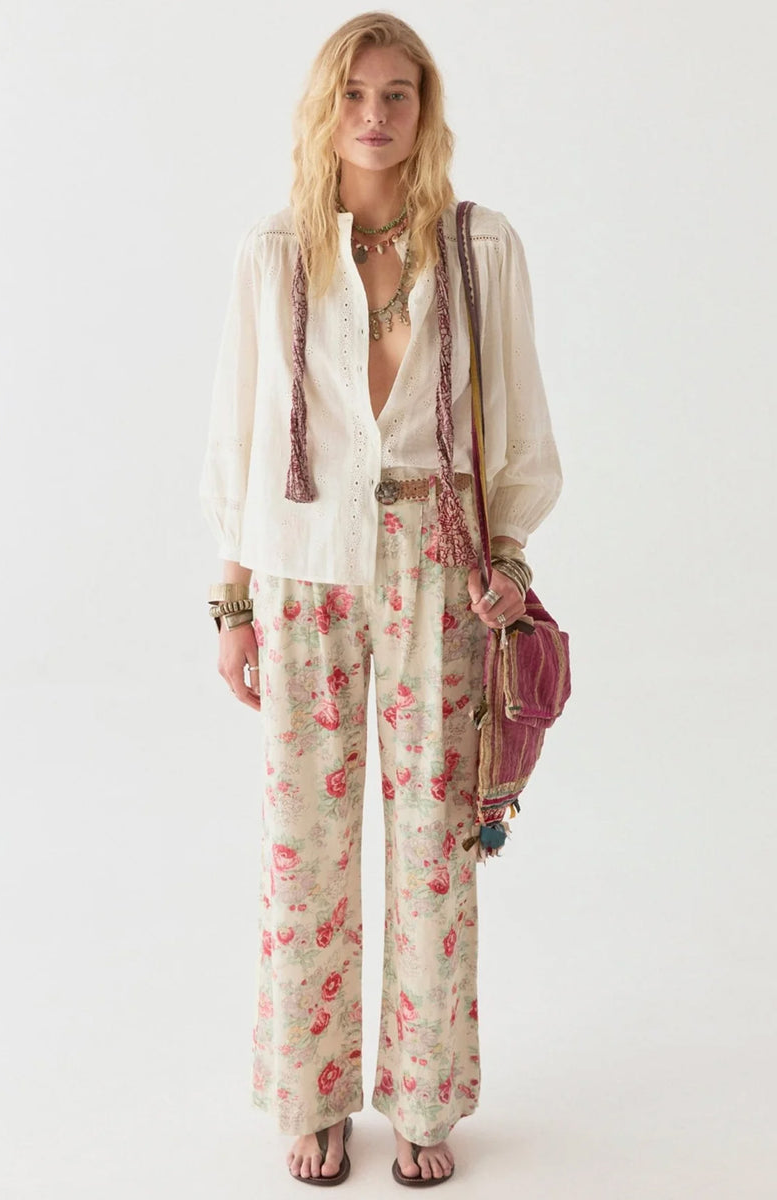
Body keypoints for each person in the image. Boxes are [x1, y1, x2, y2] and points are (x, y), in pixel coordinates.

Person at [199, 11, 562, 1187]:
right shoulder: (273, 250)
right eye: (353, 93)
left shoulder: (478, 246)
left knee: (433, 844)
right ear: (324, 107)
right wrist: (232, 602)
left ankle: (422, 1094)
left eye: (396, 93)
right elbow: (237, 436)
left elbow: (513, 417)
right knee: (303, 846)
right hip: (301, 562)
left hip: (436, 564)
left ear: (424, 108)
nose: (373, 114)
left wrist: (505, 558)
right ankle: (310, 1098)